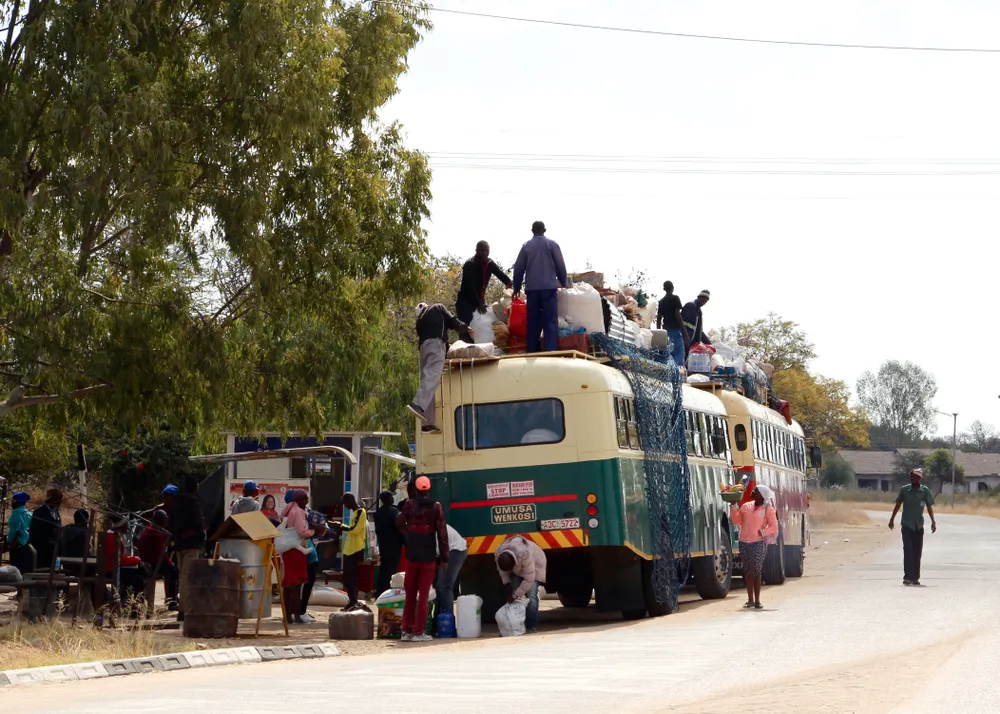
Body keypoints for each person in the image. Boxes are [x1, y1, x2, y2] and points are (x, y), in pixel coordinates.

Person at [396, 475, 448, 642]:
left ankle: (406, 631)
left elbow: (399, 522)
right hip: (428, 556)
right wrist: (445, 557)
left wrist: (409, 534)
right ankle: (419, 633)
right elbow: (442, 533)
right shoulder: (436, 507)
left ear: (416, 490)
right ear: (429, 489)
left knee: (410, 594)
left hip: (412, 555)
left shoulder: (408, 505)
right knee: (423, 595)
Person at [407, 302, 469, 434]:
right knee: (433, 378)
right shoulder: (438, 308)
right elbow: (454, 322)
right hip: (436, 345)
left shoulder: (419, 322)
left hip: (423, 349)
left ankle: (427, 423)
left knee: (427, 380)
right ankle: (418, 404)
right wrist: (466, 328)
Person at [512, 221, 569, 353]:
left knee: (533, 322)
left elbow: (519, 268)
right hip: (549, 289)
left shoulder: (526, 246)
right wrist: (563, 281)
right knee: (550, 321)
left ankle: (532, 351)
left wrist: (516, 287)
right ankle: (550, 351)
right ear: (545, 230)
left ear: (532, 231)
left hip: (532, 290)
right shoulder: (552, 244)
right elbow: (560, 264)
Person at [730, 485, 778, 609]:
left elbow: (774, 527)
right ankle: (750, 600)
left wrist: (763, 533)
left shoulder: (768, 509)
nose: (752, 491)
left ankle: (757, 600)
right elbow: (736, 521)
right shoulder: (746, 506)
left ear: (762, 495)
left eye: (755, 491)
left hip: (758, 543)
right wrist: (733, 506)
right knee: (748, 571)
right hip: (744, 542)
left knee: (756, 570)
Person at [889, 467, 937, 586]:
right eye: (911, 476)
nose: (913, 478)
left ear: (920, 478)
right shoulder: (905, 490)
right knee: (908, 550)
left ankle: (915, 577)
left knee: (917, 552)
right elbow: (898, 504)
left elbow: (929, 507)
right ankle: (907, 577)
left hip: (918, 526)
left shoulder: (925, 491)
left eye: (915, 476)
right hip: (907, 525)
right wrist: (892, 519)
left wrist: (933, 521)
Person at [170, 475, 206, 622]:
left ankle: (183, 609)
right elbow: (198, 522)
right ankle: (185, 610)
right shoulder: (194, 501)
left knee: (182, 577)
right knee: (189, 578)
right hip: (192, 544)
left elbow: (171, 522)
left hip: (179, 544)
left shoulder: (177, 502)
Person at [495, 535, 547, 633]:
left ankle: (532, 625)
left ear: (513, 563)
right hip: (518, 566)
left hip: (535, 564)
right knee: (515, 590)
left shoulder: (525, 554)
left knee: (531, 595)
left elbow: (529, 579)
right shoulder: (499, 553)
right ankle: (519, 625)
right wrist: (507, 585)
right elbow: (503, 572)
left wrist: (515, 595)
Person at [455, 240, 513, 325]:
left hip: (479, 302)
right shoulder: (470, 264)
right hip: (466, 303)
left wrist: (510, 285)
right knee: (467, 330)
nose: (485, 253)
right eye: (482, 250)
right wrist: (479, 304)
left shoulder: (489, 263)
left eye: (487, 250)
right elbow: (470, 287)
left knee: (480, 328)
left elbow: (500, 275)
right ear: (476, 250)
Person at [280, 489, 314, 624]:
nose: (306, 502)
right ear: (299, 500)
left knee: (287, 584)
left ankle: (287, 616)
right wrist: (314, 531)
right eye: (304, 499)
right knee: (296, 584)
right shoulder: (298, 511)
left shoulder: (287, 509)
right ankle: (297, 616)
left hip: (287, 550)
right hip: (296, 550)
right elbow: (302, 531)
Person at [333, 493, 368, 612]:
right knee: (348, 577)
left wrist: (340, 526)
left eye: (345, 504)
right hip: (350, 549)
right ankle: (352, 601)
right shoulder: (356, 512)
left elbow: (355, 530)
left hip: (355, 549)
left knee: (349, 577)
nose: (345, 506)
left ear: (350, 501)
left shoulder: (360, 512)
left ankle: (354, 601)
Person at [138, 510, 176, 616]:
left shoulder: (149, 529)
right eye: (165, 519)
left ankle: (170, 599)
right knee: (173, 571)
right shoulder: (156, 532)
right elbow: (161, 553)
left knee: (171, 570)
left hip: (147, 561)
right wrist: (170, 563)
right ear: (161, 520)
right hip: (152, 563)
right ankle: (172, 601)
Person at [435, 523, 468, 621]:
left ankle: (447, 621)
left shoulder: (429, 530)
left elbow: (440, 550)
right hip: (448, 550)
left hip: (456, 550)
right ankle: (437, 621)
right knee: (439, 587)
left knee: (445, 586)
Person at [300, 510, 329, 624]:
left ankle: (302, 611)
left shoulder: (308, 532)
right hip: (309, 559)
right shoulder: (306, 530)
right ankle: (301, 612)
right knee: (306, 586)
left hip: (311, 558)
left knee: (307, 586)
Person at [374, 491, 403, 596]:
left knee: (383, 568)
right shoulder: (394, 511)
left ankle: (379, 591)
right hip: (394, 544)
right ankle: (389, 592)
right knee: (392, 569)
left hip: (383, 544)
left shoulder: (378, 512)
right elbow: (399, 527)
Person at [29, 488, 63, 571]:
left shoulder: (56, 511)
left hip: (55, 549)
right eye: (57, 499)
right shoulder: (40, 511)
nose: (59, 502)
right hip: (43, 549)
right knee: (44, 571)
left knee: (55, 571)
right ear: (51, 499)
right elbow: (34, 531)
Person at [656, 281, 689, 367]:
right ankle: (677, 377)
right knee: (678, 356)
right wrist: (685, 333)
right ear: (673, 288)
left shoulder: (661, 301)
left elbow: (659, 318)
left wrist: (659, 334)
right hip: (675, 332)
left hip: (665, 333)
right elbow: (677, 314)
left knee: (666, 356)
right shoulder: (675, 298)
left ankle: (666, 377)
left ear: (664, 289)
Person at [6, 491, 33, 575]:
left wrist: (12, 542)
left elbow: (16, 530)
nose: (11, 503)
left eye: (12, 501)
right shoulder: (28, 514)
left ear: (15, 502)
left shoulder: (16, 514)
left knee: (15, 568)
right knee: (23, 566)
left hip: (16, 544)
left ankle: (17, 585)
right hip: (25, 543)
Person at [681, 290, 712, 356]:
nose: (703, 302)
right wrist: (686, 338)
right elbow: (682, 323)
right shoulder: (690, 305)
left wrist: (708, 343)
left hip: (691, 341)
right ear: (699, 297)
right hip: (685, 339)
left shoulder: (699, 311)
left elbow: (699, 329)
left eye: (705, 301)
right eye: (702, 299)